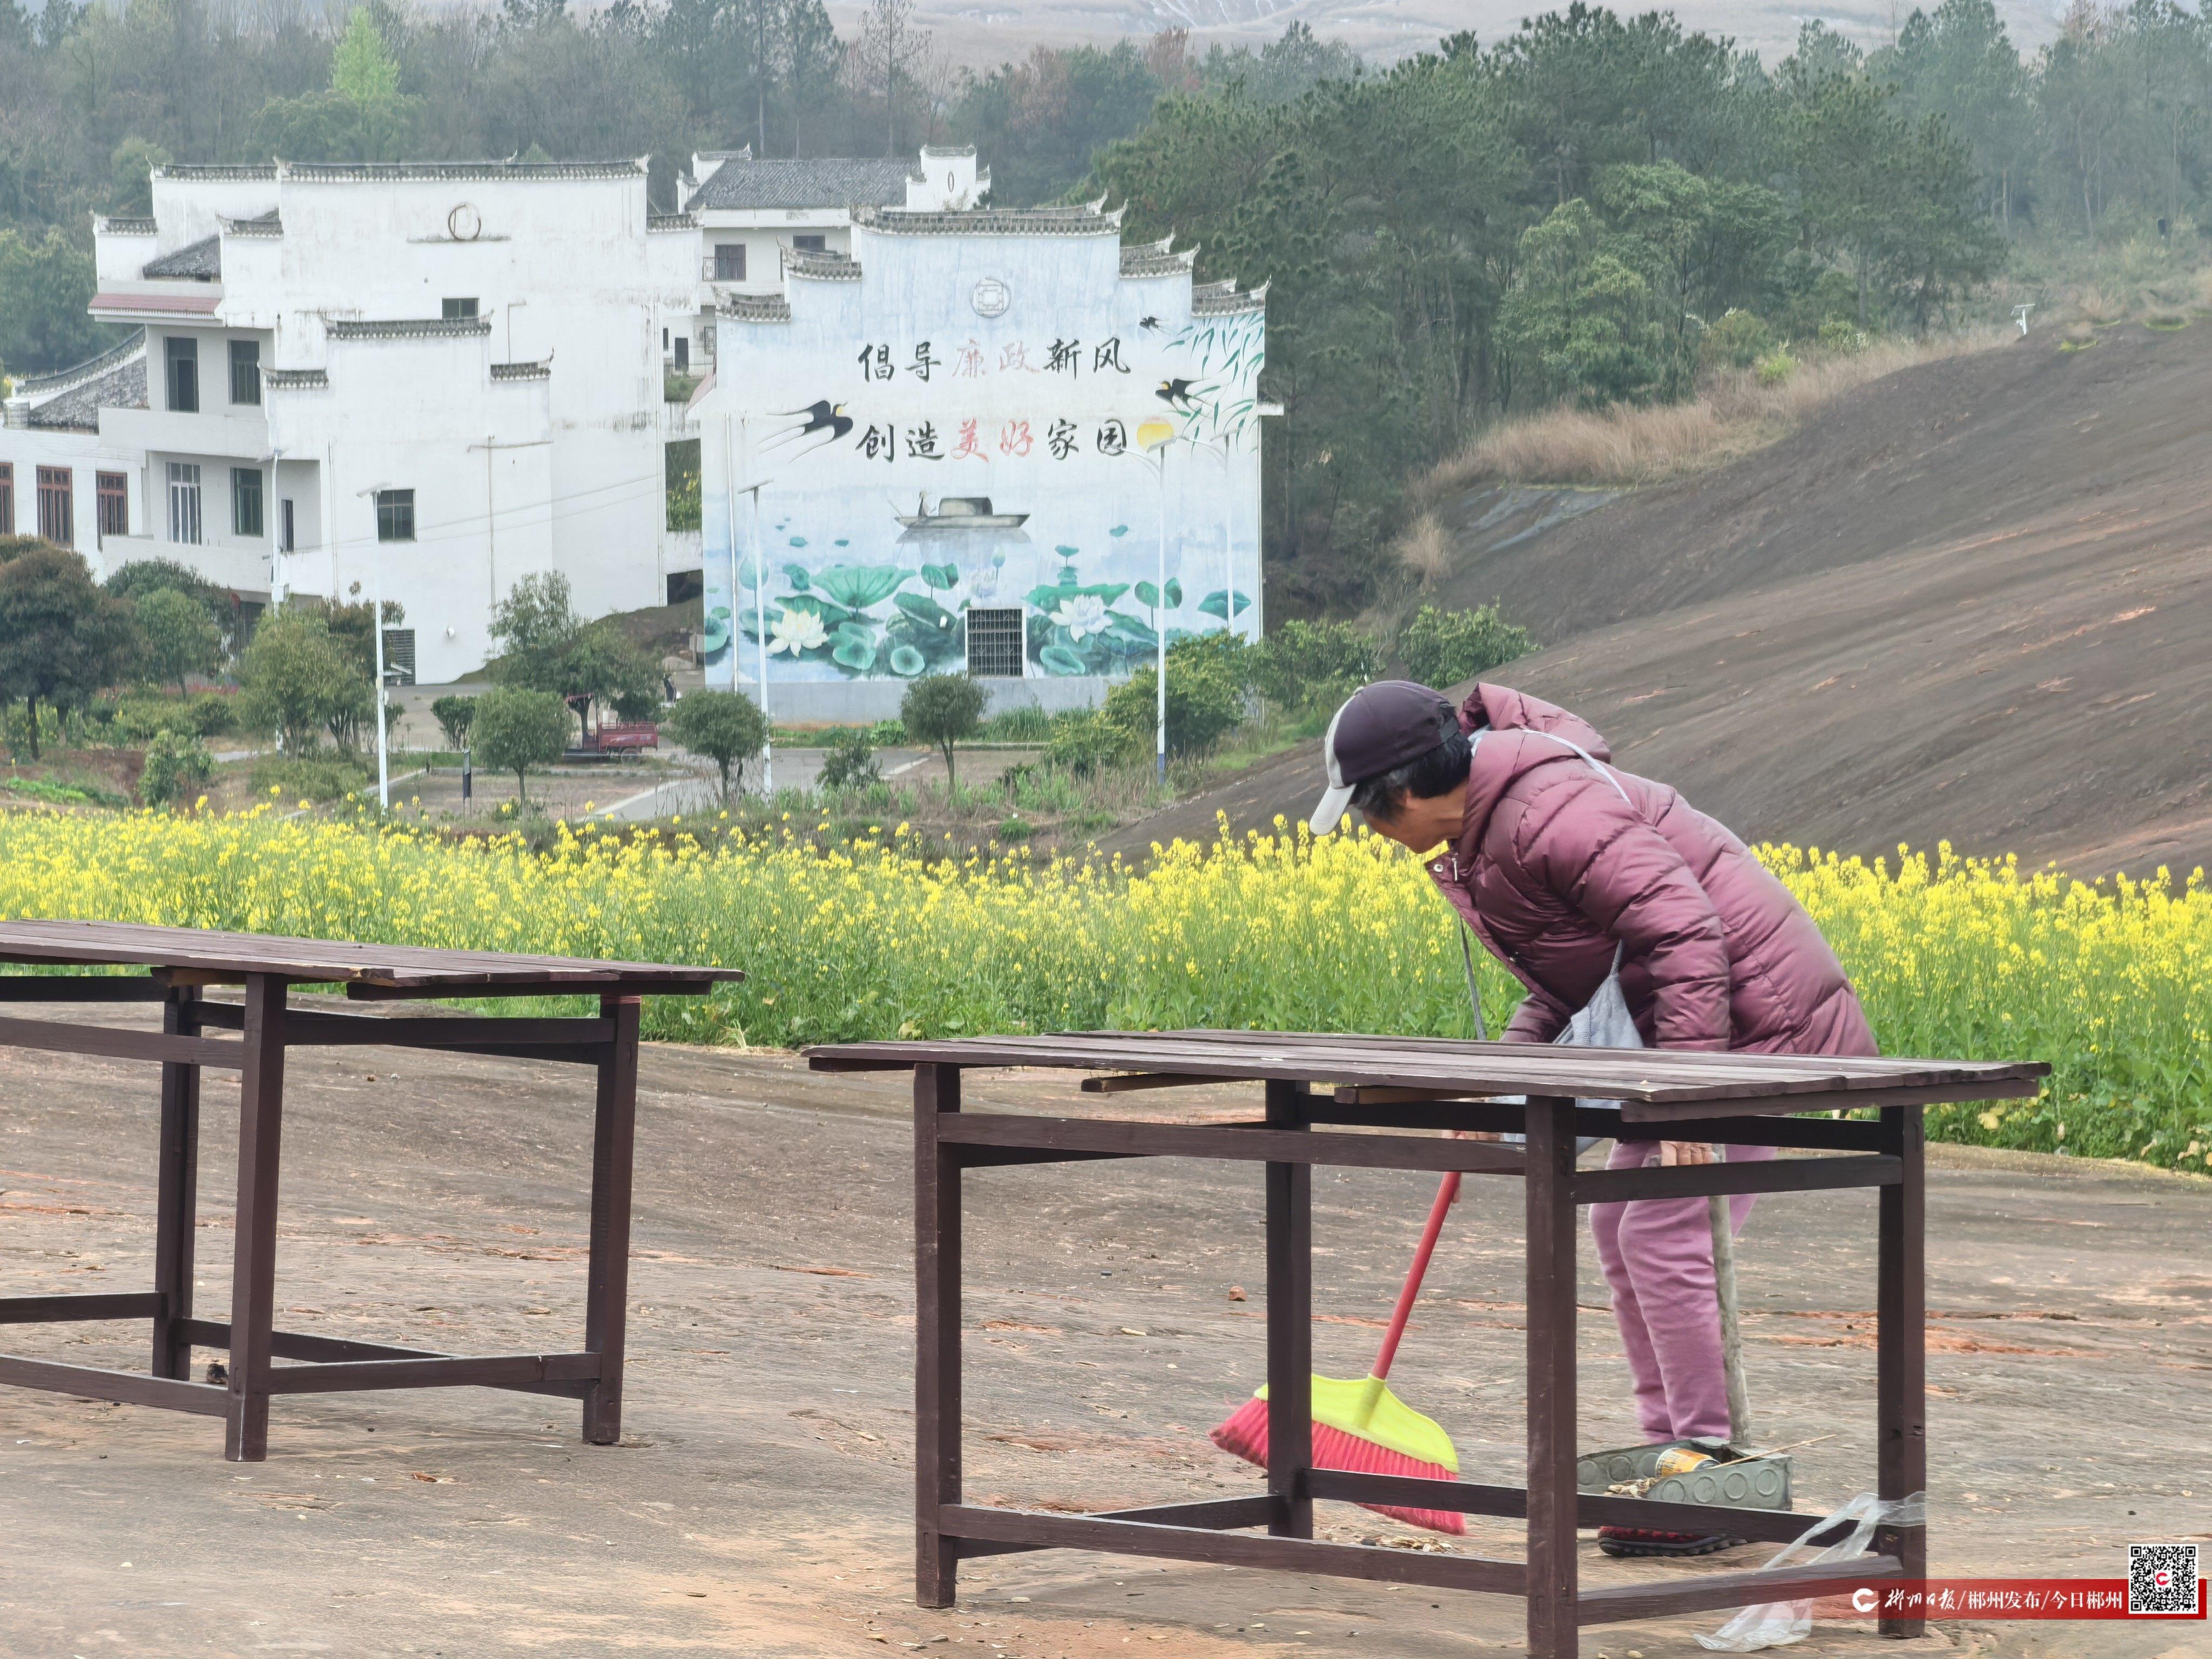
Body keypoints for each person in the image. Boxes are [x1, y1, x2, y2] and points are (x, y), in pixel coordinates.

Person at [1310, 679, 1877, 1559]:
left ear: (1410, 793)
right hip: (1690, 1035)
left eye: (1368, 816)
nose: (1371, 836)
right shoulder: (1487, 827)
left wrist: (1689, 1090)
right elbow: (1578, 977)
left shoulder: (1546, 811)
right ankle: (1673, 1457)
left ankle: (1710, 1465)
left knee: (1660, 1233)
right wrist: (1505, 1082)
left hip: (1760, 1030)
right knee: (1619, 1227)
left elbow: (1684, 931)